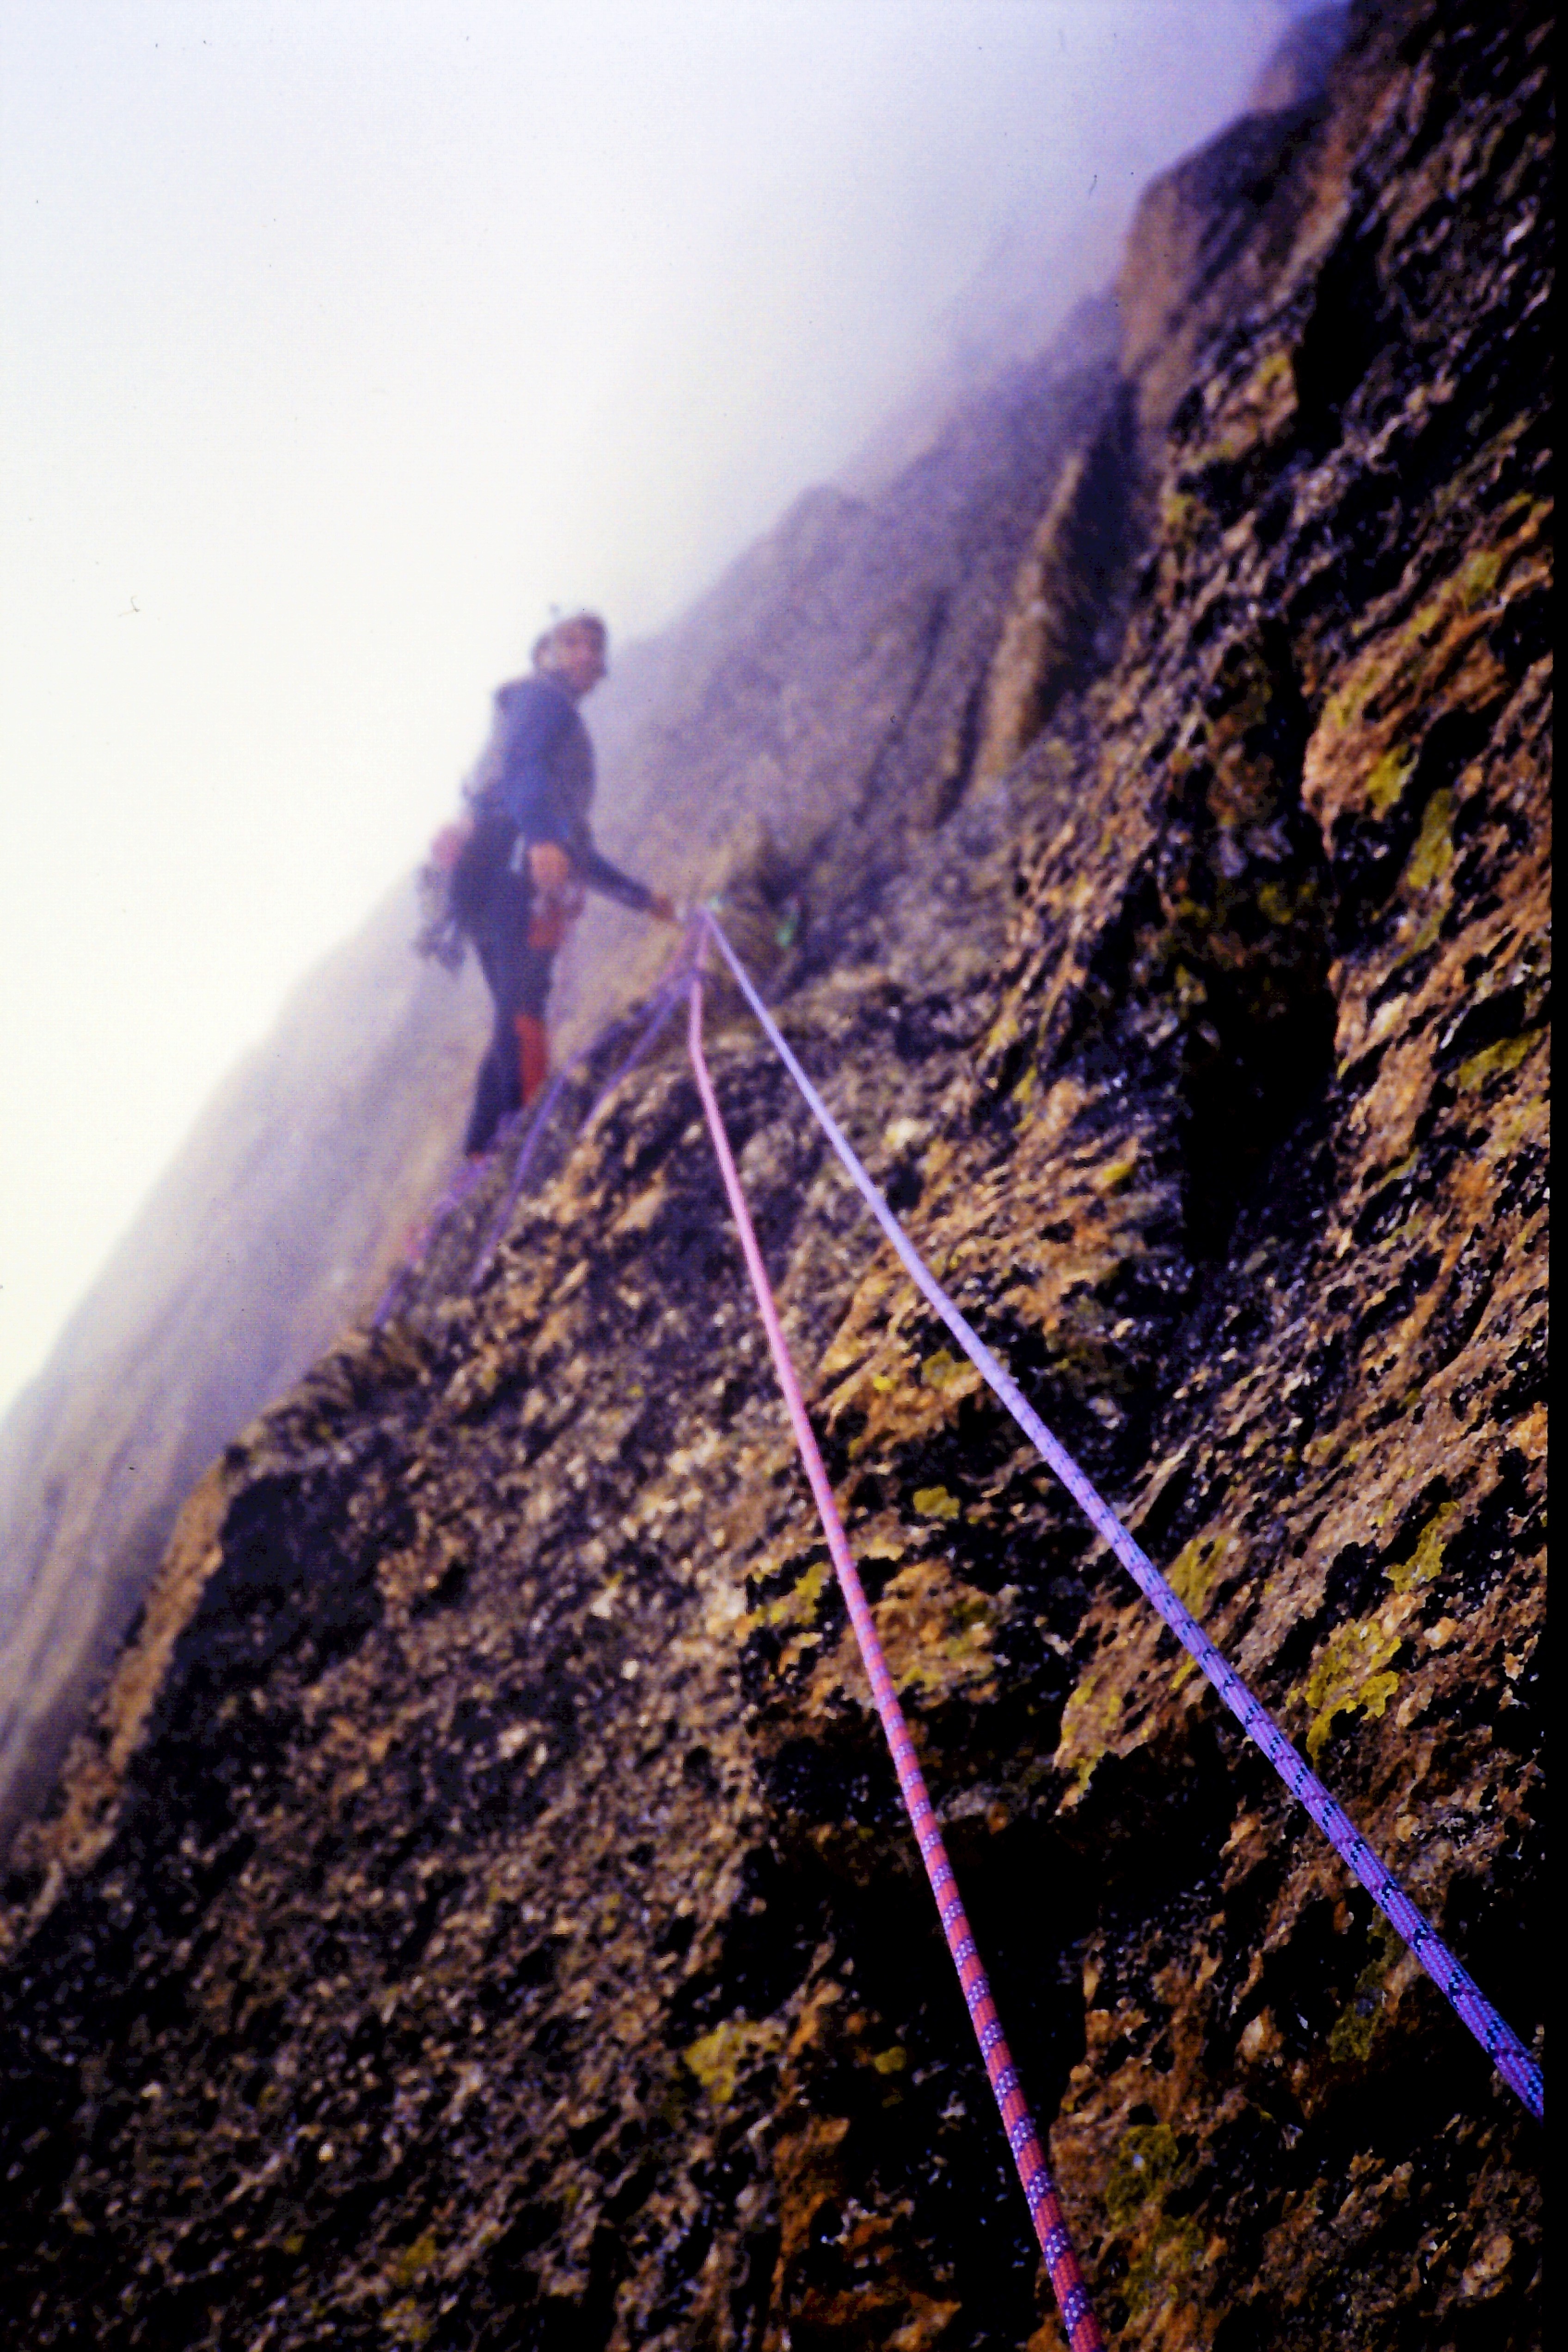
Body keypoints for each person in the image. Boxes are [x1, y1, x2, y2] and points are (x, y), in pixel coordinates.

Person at [448, 612, 674, 1155]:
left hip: (488, 874)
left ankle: (482, 1149)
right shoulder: (543, 700)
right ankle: (519, 1144)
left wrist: (642, 899)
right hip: (510, 868)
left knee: (515, 1004)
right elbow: (522, 767)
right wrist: (542, 836)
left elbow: (578, 853)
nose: (585, 655)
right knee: (522, 1009)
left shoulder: (541, 715)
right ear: (547, 654)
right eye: (572, 643)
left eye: (594, 647)